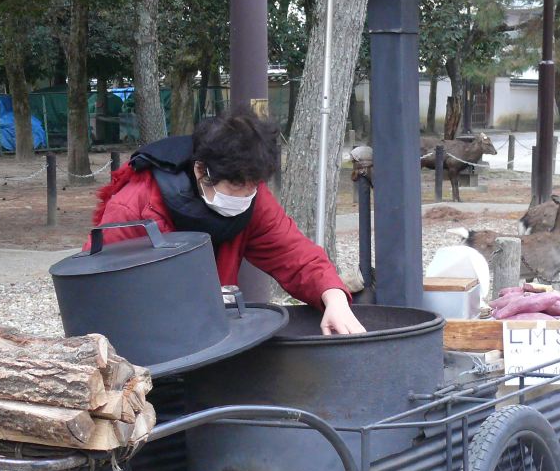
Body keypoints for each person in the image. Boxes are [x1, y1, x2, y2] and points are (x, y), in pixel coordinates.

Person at [92, 108, 365, 335]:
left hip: (212, 332)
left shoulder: (252, 196)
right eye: (236, 186)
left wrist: (334, 297)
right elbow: (102, 289)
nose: (246, 195)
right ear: (201, 169)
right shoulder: (135, 203)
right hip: (146, 343)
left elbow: (295, 255)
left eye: (253, 185)